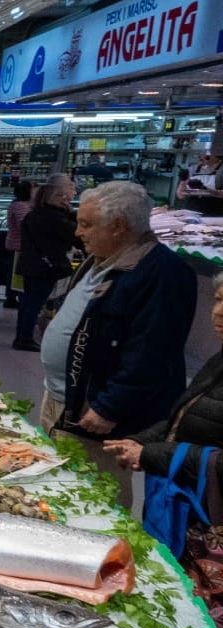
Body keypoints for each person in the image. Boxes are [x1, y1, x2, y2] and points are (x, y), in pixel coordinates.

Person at [104, 274, 223, 628]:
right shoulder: (219, 359)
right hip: (197, 522)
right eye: (218, 296)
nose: (220, 308)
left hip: (217, 529)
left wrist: (153, 454)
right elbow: (184, 419)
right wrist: (141, 441)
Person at [38, 180, 197, 508]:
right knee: (58, 491)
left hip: (100, 415)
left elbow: (153, 353)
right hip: (64, 400)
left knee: (96, 501)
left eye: (86, 224)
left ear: (119, 227)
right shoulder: (101, 258)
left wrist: (111, 406)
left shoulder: (163, 273)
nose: (78, 232)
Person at [12, 174, 75, 351]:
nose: (74, 191)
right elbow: (73, 234)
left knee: (27, 303)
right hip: (44, 267)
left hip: (30, 264)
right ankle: (25, 338)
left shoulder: (35, 214)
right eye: (71, 187)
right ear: (60, 194)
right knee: (34, 303)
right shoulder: (54, 218)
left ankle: (22, 336)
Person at [2, 180, 33, 308]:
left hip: (14, 242)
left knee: (14, 271)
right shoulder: (21, 206)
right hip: (18, 244)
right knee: (16, 272)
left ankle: (11, 296)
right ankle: (11, 297)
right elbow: (24, 225)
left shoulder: (16, 204)